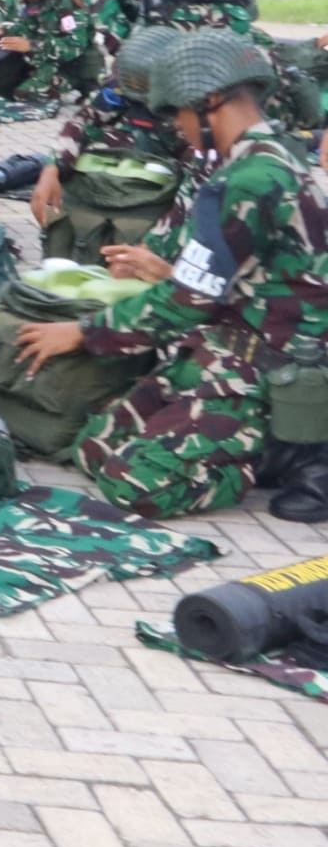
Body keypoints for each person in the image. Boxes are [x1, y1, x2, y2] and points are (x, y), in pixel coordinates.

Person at [18, 34, 328, 520]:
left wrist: (79, 333)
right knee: (92, 447)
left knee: (138, 485)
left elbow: (183, 302)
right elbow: (235, 278)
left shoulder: (250, 179)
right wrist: (167, 271)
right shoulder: (259, 159)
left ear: (210, 103)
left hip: (265, 368)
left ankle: (273, 453)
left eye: (179, 114)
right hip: (225, 343)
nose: (177, 128)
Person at [28, 25, 192, 236]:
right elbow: (84, 122)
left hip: (153, 189)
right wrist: (52, 168)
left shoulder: (190, 108)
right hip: (112, 176)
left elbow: (194, 183)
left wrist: (159, 241)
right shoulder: (123, 85)